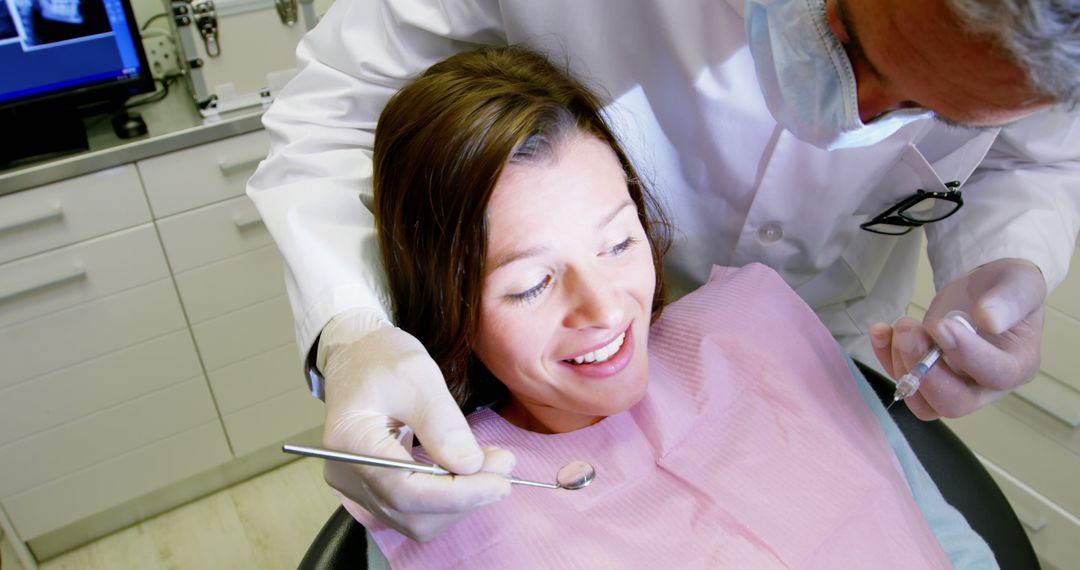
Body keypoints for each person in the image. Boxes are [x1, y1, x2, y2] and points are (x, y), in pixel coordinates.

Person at [247, 0, 1080, 539]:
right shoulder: (473, 521)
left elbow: (1040, 162)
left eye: (933, 112)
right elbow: (333, 112)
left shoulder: (800, 381)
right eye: (850, 41)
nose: (854, 116)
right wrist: (349, 328)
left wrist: (1010, 263)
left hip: (824, 337)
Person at [341, 45, 993, 568]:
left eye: (619, 242)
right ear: (448, 309)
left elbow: (945, 543)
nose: (602, 308)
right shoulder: (436, 509)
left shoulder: (762, 333)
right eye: (531, 284)